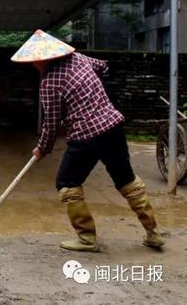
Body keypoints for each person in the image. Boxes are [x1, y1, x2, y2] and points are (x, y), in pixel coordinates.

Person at [12, 30, 164, 252]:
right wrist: (89, 92)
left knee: (67, 184)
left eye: (35, 61)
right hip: (113, 126)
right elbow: (103, 66)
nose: (34, 65)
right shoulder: (80, 58)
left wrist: (42, 148)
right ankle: (153, 233)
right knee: (126, 180)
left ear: (43, 58)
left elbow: (51, 123)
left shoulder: (49, 82)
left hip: (86, 136)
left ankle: (87, 239)